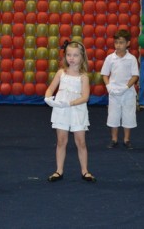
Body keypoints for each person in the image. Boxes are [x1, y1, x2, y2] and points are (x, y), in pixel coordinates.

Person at [44, 40, 96, 182]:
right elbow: (50, 88)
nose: (71, 58)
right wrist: (48, 97)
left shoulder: (83, 76)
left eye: (75, 55)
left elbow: (85, 97)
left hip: (77, 111)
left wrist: (70, 103)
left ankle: (85, 171)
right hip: (62, 111)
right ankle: (59, 170)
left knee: (81, 142)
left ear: (82, 57)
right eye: (69, 55)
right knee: (61, 141)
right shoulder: (61, 73)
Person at [101, 29, 139, 149]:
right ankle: (114, 139)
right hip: (113, 92)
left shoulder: (131, 59)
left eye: (121, 42)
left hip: (127, 92)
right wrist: (108, 87)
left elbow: (135, 75)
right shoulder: (110, 58)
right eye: (116, 42)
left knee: (128, 115)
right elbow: (105, 74)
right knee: (113, 115)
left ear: (128, 43)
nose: (118, 45)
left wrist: (126, 87)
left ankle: (127, 139)